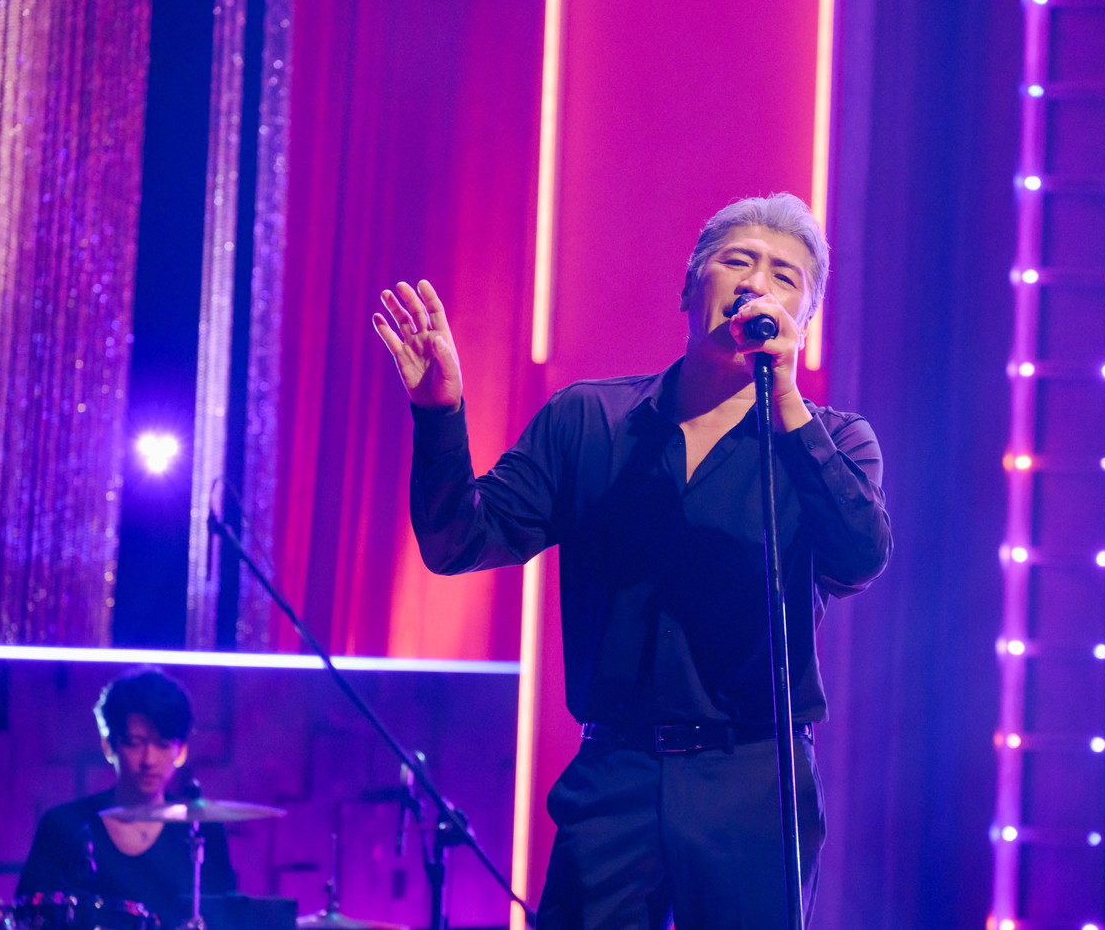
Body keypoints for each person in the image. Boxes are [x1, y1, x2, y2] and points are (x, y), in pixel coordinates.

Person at [373, 192, 892, 928]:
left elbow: (858, 559)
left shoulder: (833, 442)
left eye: (785, 277)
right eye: (737, 261)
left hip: (754, 777)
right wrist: (438, 415)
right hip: (615, 775)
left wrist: (786, 408)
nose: (756, 283)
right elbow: (458, 541)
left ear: (803, 322)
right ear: (689, 287)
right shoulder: (589, 420)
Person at [9, 667, 235, 928]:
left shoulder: (202, 830)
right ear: (109, 745)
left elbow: (227, 920)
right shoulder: (63, 826)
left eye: (162, 745)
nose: (149, 760)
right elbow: (27, 917)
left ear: (181, 751)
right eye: (135, 743)